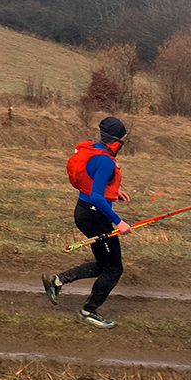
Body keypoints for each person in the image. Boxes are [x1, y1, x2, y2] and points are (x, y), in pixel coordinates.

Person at [42, 115, 133, 328]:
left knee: (105, 264)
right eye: (124, 138)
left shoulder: (95, 150)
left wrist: (114, 192)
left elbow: (94, 183)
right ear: (117, 140)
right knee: (113, 269)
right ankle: (88, 311)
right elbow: (96, 197)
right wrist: (118, 222)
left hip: (84, 212)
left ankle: (57, 280)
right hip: (94, 216)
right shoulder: (106, 160)